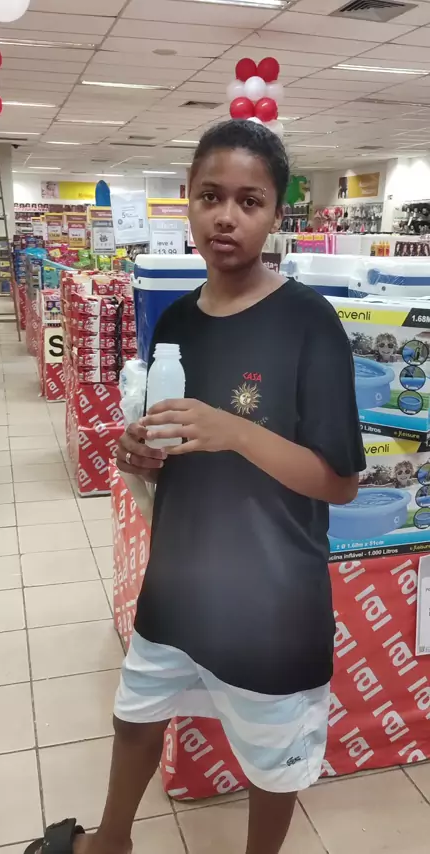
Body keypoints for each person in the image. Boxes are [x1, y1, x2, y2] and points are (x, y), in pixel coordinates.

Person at [25, 120, 365, 854]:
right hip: (179, 579)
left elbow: (339, 482)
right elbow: (170, 440)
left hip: (271, 598)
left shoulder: (309, 323)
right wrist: (139, 452)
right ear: (187, 198)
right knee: (136, 714)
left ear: (276, 213)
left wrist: (234, 431)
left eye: (250, 201)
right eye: (211, 196)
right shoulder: (177, 319)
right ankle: (110, 843)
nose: (226, 217)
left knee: (273, 761)